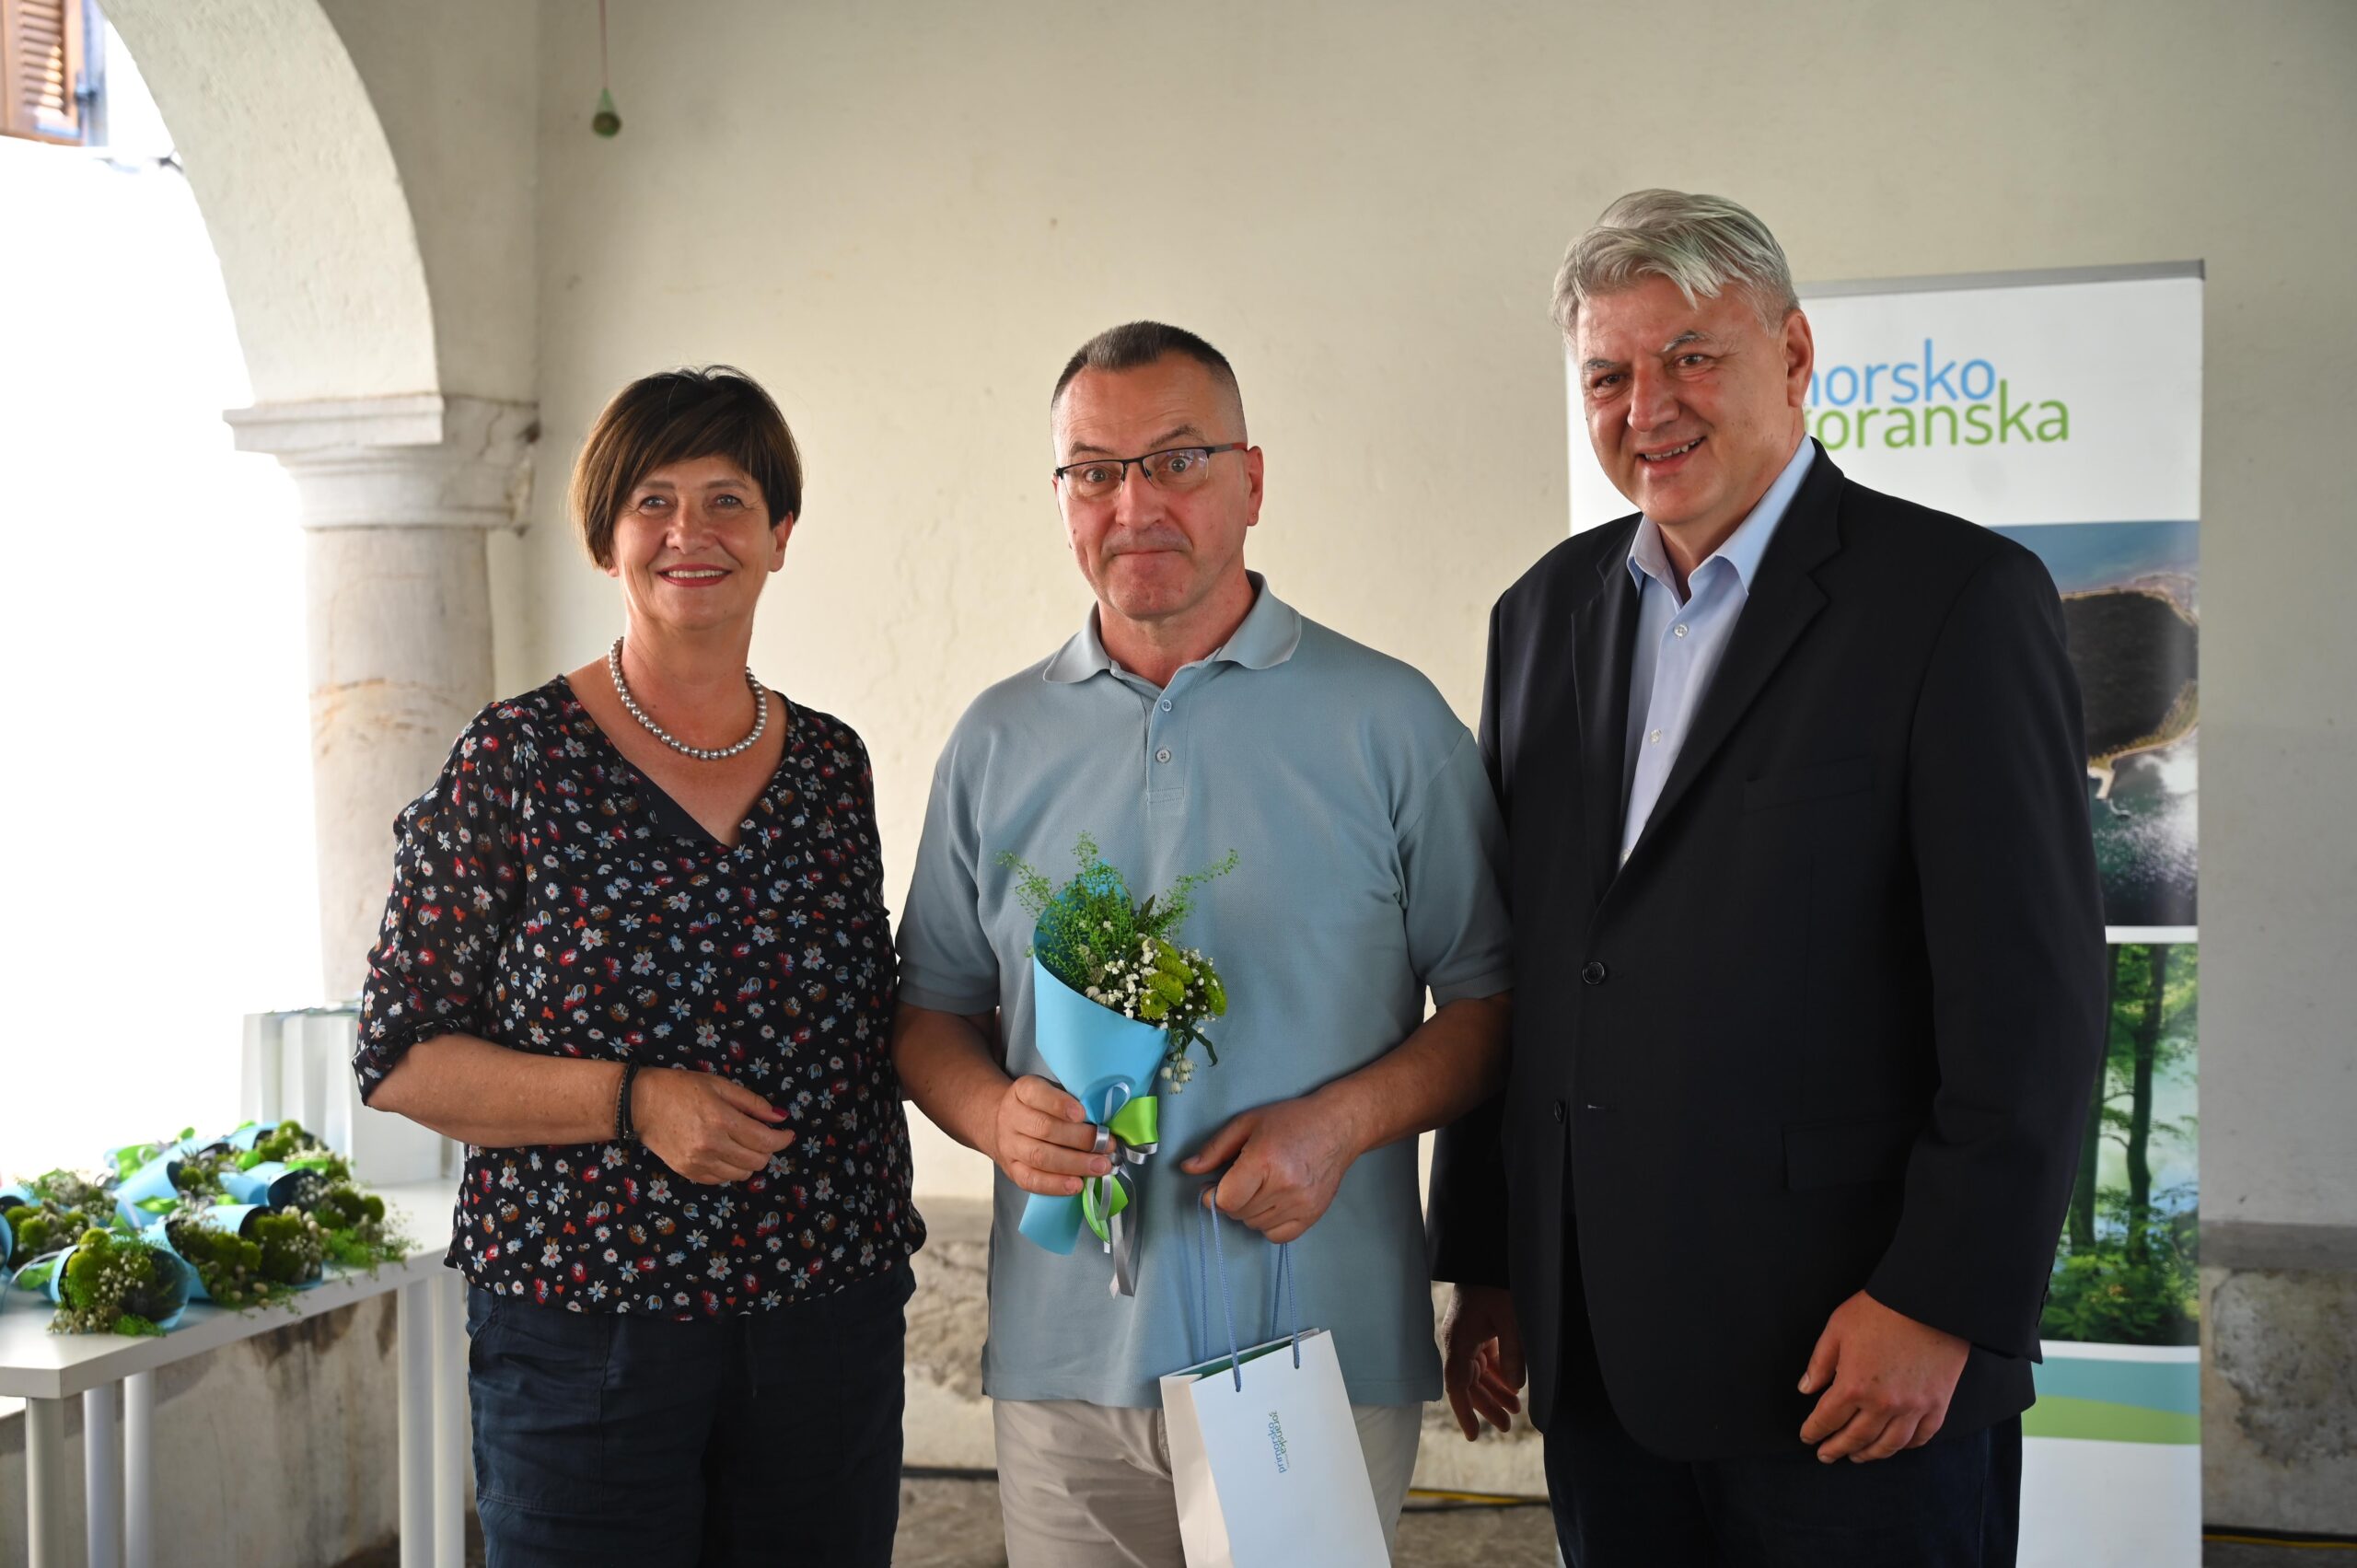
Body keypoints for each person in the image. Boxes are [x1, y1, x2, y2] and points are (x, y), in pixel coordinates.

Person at [1428, 191, 2107, 1566]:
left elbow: (2032, 999)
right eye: (1608, 375)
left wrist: (1944, 1299)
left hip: (1857, 1359)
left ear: (1793, 357)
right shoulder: (1540, 614)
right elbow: (1536, 965)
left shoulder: (1958, 601)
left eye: (1691, 355)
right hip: (1601, 1355)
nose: (1647, 407)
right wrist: (1492, 1261)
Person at [893, 321, 1513, 1567]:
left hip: (1312, 1353)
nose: (1135, 505)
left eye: (1178, 461)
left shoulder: (1392, 722)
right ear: (1062, 497)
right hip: (1062, 1363)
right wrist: (994, 1116)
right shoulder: (996, 739)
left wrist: (1336, 1126)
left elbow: (1495, 1005)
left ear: (1253, 481)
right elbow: (929, 1013)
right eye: (1095, 471)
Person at [352, 366, 923, 1568]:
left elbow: (873, 1019)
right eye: (653, 501)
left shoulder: (832, 768)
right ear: (605, 537)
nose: (688, 533)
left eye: (727, 500)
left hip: (826, 1324)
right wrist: (632, 1100)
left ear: (780, 534)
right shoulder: (515, 759)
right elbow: (401, 1055)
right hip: (586, 1339)